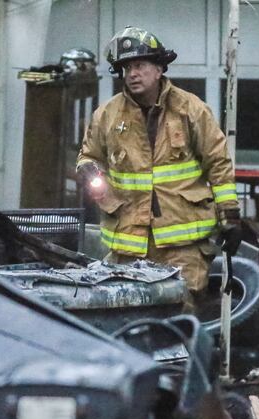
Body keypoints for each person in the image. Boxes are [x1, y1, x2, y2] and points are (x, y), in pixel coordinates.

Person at [76, 26, 241, 311]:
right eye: (125, 67)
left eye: (139, 65)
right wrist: (89, 169)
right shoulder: (107, 115)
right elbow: (88, 156)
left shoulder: (191, 109)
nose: (132, 74)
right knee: (130, 317)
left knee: (180, 313)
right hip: (128, 245)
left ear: (159, 67)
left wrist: (229, 215)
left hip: (183, 245)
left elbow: (218, 163)